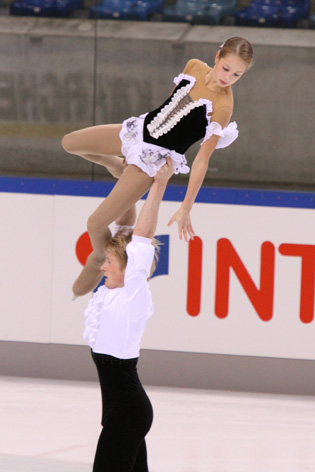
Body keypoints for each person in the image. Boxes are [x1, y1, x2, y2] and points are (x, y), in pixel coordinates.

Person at [62, 37, 254, 296]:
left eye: (237, 75)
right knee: (70, 143)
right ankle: (119, 168)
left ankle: (98, 255)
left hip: (152, 161)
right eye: (226, 68)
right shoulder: (194, 66)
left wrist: (186, 207)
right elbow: (170, 106)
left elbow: (202, 160)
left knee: (95, 224)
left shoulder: (223, 107)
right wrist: (133, 146)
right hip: (138, 131)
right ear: (218, 56)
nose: (228, 77)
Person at [83, 159, 174, 472]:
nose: (102, 266)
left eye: (109, 261)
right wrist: (130, 181)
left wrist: (158, 185)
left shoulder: (133, 297)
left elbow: (142, 238)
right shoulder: (111, 292)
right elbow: (125, 229)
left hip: (127, 414)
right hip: (122, 412)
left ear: (129, 270)